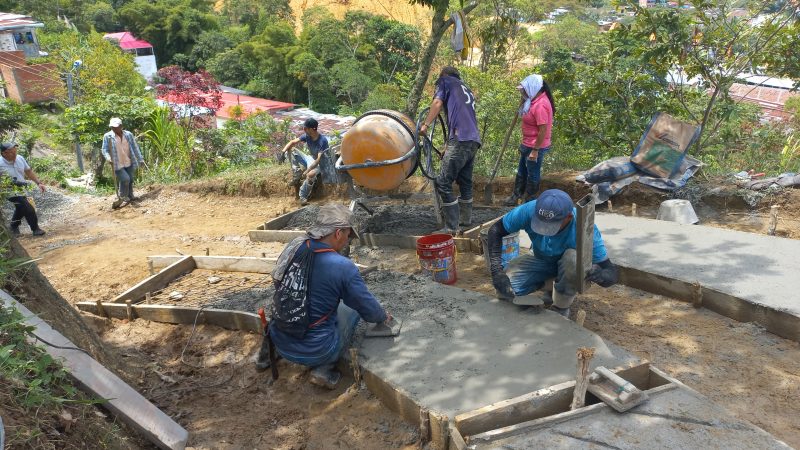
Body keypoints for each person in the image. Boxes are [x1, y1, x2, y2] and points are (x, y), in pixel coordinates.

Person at [268, 203, 391, 389]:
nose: (348, 240)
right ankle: (324, 369)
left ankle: (264, 356)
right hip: (316, 351)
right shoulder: (342, 266)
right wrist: (382, 316)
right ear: (338, 233)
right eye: (348, 234)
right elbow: (365, 306)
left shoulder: (294, 246)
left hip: (279, 341)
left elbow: (278, 282)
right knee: (350, 309)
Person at [488, 189, 618, 317]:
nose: (544, 230)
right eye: (541, 223)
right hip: (540, 259)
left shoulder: (585, 229)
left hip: (568, 265)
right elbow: (495, 230)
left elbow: (610, 272)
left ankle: (561, 307)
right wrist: (496, 271)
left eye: (551, 226)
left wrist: (601, 275)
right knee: (504, 291)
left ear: (568, 217)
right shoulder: (529, 210)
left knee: (573, 259)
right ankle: (549, 284)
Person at [419, 66, 481, 234]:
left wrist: (425, 124)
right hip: (473, 140)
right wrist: (448, 145)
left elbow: (437, 103)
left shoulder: (445, 81)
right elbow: (460, 117)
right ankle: (465, 220)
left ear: (444, 75)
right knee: (465, 181)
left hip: (460, 139)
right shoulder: (464, 88)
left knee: (443, 182)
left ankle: (451, 227)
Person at [503, 74, 555, 206]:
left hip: (536, 145)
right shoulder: (532, 100)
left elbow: (543, 130)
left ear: (533, 88)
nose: (522, 92)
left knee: (533, 173)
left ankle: (530, 201)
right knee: (522, 171)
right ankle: (516, 196)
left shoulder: (541, 105)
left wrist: (535, 150)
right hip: (527, 143)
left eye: (524, 89)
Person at [281, 118, 335, 206]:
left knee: (310, 175)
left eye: (305, 128)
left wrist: (307, 171)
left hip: (322, 164)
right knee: (292, 150)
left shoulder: (322, 141)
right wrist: (283, 152)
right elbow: (292, 142)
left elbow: (318, 160)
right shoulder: (307, 136)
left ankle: (303, 196)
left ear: (311, 129)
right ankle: (297, 174)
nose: (304, 130)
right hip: (311, 159)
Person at [0, 142, 46, 236]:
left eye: (15, 151)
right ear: (4, 153)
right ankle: (35, 229)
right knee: (28, 208)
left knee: (20, 208)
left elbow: (28, 171)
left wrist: (39, 183)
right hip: (8, 191)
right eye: (12, 152)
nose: (15, 154)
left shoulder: (20, 158)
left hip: (21, 189)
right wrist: (7, 184)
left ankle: (13, 227)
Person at [101, 117, 144, 209]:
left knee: (130, 179)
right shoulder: (108, 136)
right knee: (125, 179)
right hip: (117, 163)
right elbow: (104, 149)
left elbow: (135, 147)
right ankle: (122, 196)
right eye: (112, 127)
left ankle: (130, 195)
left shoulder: (128, 135)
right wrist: (108, 158)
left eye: (116, 127)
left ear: (121, 126)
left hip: (129, 160)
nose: (114, 129)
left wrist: (140, 159)